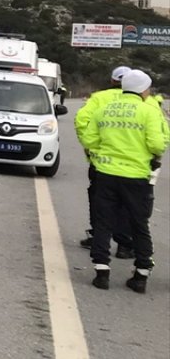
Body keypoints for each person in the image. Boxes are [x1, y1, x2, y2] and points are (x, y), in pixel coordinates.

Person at [78, 69, 167, 293]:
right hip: (136, 177)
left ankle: (101, 272)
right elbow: (157, 145)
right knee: (139, 224)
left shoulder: (104, 109)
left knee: (103, 223)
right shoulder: (149, 111)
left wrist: (101, 156)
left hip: (106, 173)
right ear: (144, 89)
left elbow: (89, 139)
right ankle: (141, 275)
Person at [74, 66, 135, 258]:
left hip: (103, 162)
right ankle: (125, 245)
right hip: (135, 166)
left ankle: (98, 239)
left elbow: (81, 119)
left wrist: (90, 147)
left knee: (100, 201)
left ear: (112, 81)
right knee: (127, 205)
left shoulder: (100, 98)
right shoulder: (144, 100)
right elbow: (159, 136)